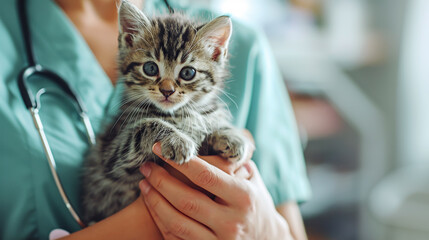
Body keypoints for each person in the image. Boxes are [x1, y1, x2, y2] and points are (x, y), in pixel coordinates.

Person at [0, 0, 311, 239]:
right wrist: (144, 223)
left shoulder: (245, 45)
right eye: (152, 70)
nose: (167, 88)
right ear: (128, 38)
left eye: (186, 74)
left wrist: (263, 230)